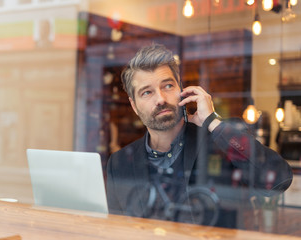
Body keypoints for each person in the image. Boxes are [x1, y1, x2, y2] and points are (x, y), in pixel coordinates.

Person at [106, 43, 293, 227]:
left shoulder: (219, 143)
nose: (161, 99)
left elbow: (279, 180)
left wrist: (212, 122)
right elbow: (115, 230)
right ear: (134, 105)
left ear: (182, 89)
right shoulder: (119, 164)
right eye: (147, 92)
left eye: (168, 86)